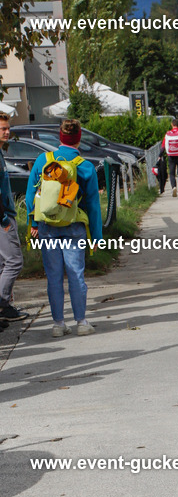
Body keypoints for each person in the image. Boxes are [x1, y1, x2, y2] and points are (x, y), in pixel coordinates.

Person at [26, 118, 102, 337]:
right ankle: (81, 322)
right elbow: (93, 205)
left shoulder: (43, 160)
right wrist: (96, 236)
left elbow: (31, 196)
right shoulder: (85, 166)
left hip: (47, 227)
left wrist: (33, 223)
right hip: (74, 227)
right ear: (79, 138)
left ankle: (58, 324)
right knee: (76, 274)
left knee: (54, 276)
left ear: (60, 137)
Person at [0, 113, 28, 324]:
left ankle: (5, 307)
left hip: (6, 214)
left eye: (8, 128)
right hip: (3, 218)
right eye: (3, 129)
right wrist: (3, 219)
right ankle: (2, 304)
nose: (7, 132)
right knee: (14, 261)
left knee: (3, 264)